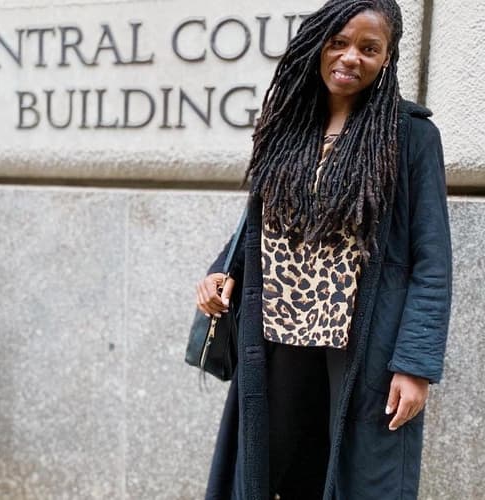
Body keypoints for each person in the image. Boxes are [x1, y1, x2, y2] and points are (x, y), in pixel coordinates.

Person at [195, 1, 451, 498]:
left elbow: (432, 262)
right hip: (276, 337)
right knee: (271, 474)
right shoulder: (286, 125)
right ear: (318, 45)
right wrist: (220, 271)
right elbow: (260, 224)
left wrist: (415, 365)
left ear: (387, 57)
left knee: (352, 479)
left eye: (369, 48)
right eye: (339, 42)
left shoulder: (411, 136)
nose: (351, 57)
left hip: (361, 345)